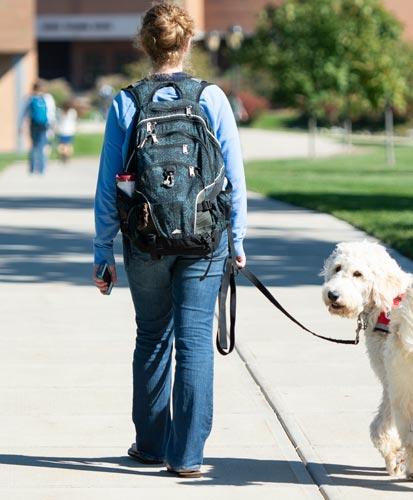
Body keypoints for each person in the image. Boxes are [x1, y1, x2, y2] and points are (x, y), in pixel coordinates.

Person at [90, 2, 247, 478]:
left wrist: (103, 252)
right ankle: (188, 456)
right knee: (195, 339)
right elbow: (235, 178)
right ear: (187, 43)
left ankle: (151, 444)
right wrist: (236, 239)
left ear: (144, 43)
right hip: (205, 240)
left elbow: (109, 184)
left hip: (146, 239)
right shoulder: (211, 98)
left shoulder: (127, 102)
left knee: (153, 335)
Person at [19, 82, 56, 175]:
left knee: (34, 145)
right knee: (42, 146)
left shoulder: (29, 98)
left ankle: (32, 168)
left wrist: (20, 125)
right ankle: (41, 169)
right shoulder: (47, 98)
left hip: (33, 124)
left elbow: (24, 113)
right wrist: (52, 126)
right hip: (44, 125)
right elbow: (51, 112)